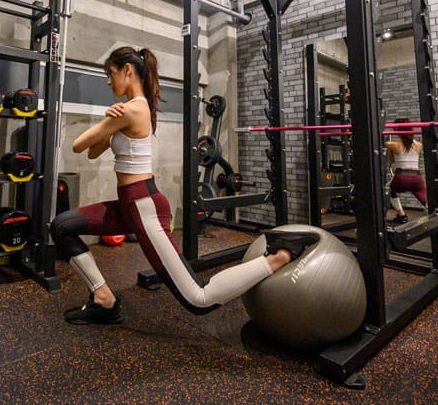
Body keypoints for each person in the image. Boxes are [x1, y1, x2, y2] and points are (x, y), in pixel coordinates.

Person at [50, 46, 317, 324]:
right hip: (131, 205)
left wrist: (108, 120)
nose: (108, 81)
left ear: (127, 70)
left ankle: (278, 256)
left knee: (198, 298)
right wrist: (109, 125)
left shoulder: (132, 109)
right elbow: (93, 153)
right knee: (62, 226)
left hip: (143, 206)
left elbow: (78, 145)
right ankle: (103, 299)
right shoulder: (129, 110)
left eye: (111, 73)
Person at [384, 118, 427, 224]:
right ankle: (433, 211)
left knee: (388, 189)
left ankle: (402, 215)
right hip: (417, 178)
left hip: (402, 178)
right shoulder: (419, 145)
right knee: (425, 200)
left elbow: (392, 160)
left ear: (398, 130)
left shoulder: (393, 145)